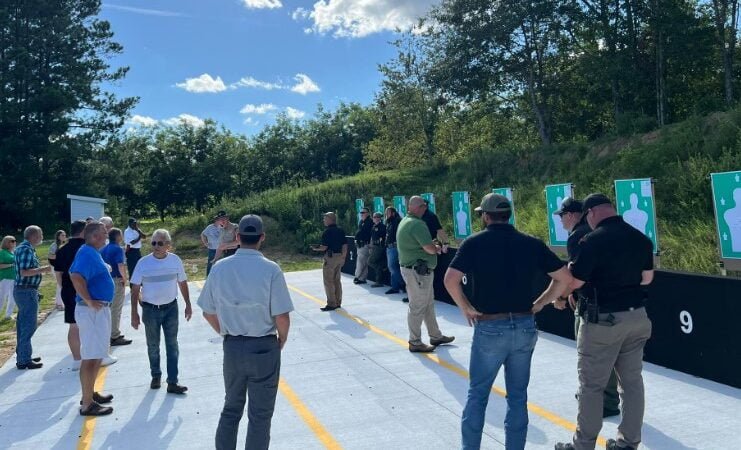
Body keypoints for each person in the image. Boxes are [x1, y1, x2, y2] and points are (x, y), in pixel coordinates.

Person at [444, 193, 573, 450]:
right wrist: (540, 303)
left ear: (486, 216)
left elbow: (450, 279)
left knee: (478, 395)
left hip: (490, 326)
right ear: (508, 214)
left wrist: (466, 308)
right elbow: (564, 278)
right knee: (517, 397)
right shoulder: (531, 243)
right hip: (524, 325)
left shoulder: (474, 243)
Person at [554, 194, 654, 450]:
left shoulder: (591, 241)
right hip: (636, 317)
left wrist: (562, 296)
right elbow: (646, 279)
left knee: (591, 386)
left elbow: (575, 282)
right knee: (632, 384)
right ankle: (628, 443)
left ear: (592, 212)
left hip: (602, 321)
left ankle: (583, 445)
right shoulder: (640, 238)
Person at [198, 214, 294, 450]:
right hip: (263, 346)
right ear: (262, 238)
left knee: (231, 408)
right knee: (260, 415)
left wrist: (225, 333)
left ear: (238, 237)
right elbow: (282, 316)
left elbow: (207, 311)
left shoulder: (219, 268)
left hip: (232, 346)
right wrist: (281, 339)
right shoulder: (271, 269)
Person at [555, 197, 620, 418]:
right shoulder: (594, 231)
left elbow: (577, 273)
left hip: (590, 303)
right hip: (611, 300)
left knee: (591, 354)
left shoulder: (577, 237)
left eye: (562, 215)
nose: (561, 220)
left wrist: (567, 294)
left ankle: (606, 400)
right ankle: (602, 395)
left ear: (572, 214)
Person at [130, 229, 191, 394]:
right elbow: (135, 289)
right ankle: (156, 375)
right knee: (153, 345)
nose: (156, 246)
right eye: (154, 243)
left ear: (168, 246)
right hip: (150, 310)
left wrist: (188, 304)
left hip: (171, 308)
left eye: (160, 243)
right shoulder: (143, 263)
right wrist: (134, 313)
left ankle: (172, 381)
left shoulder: (175, 261)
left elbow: (182, 282)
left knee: (172, 345)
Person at [69, 222, 116, 416]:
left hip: (98, 310)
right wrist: (88, 300)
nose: (107, 236)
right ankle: (87, 403)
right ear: (95, 236)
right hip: (91, 313)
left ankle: (90, 393)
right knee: (90, 358)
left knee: (97, 355)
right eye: (104, 233)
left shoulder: (90, 252)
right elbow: (75, 276)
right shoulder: (87, 253)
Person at [397, 196, 454, 353]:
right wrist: (437, 247)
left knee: (427, 304)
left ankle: (435, 335)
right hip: (418, 272)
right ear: (418, 207)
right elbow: (429, 248)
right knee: (417, 306)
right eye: (423, 206)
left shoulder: (406, 221)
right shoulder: (417, 224)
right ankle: (414, 341)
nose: (425, 209)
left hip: (414, 270)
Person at [55, 220, 109, 370]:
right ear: (84, 232)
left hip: (68, 290)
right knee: (90, 331)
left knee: (73, 326)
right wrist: (89, 299)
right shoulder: (86, 248)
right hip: (85, 294)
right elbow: (76, 275)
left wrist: (62, 288)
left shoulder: (62, 249)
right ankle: (92, 358)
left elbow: (58, 273)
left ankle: (77, 359)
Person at [14, 225, 52, 369]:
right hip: (25, 291)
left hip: (25, 291)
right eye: (40, 234)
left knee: (23, 325)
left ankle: (23, 354)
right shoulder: (25, 249)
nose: (42, 236)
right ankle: (24, 359)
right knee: (28, 326)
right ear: (34, 236)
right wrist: (45, 269)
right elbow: (24, 272)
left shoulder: (24, 248)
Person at [311, 212, 348, 311]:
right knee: (337, 280)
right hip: (339, 256)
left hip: (330, 258)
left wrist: (316, 248)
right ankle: (338, 302)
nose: (324, 220)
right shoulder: (341, 231)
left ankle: (332, 303)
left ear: (330, 219)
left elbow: (324, 247)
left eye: (325, 218)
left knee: (328, 281)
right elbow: (344, 245)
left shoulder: (327, 232)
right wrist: (343, 257)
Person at [101, 228, 132, 347]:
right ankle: (114, 335)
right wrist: (124, 279)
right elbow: (120, 265)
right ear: (118, 236)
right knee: (116, 308)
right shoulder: (118, 249)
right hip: (116, 279)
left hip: (106, 280)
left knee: (109, 308)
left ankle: (109, 333)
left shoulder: (104, 248)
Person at [384, 207, 405, 295]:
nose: (386, 215)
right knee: (392, 268)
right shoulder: (389, 222)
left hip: (394, 247)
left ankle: (403, 284)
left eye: (388, 213)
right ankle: (394, 287)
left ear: (393, 213)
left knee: (392, 266)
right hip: (389, 247)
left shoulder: (397, 221)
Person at [48, 229, 67, 311]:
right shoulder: (54, 245)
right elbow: (50, 256)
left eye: (65, 235)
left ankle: (61, 302)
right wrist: (60, 256)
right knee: (60, 285)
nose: (64, 237)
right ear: (58, 236)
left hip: (63, 267)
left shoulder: (65, 244)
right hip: (55, 267)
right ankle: (59, 304)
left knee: (62, 284)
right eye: (62, 235)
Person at [353, 207, 373, 284]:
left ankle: (357, 277)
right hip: (360, 245)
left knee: (361, 262)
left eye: (363, 212)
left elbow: (369, 234)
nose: (361, 214)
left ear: (368, 213)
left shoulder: (370, 222)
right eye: (361, 213)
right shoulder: (361, 221)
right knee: (363, 262)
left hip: (365, 244)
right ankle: (362, 278)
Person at [124, 218, 146, 284]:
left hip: (137, 251)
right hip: (131, 251)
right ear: (129, 224)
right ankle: (132, 286)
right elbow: (133, 242)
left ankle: (140, 284)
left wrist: (138, 231)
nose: (135, 224)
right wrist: (139, 236)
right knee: (132, 269)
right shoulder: (127, 231)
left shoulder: (137, 229)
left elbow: (144, 236)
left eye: (135, 223)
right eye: (133, 223)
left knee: (140, 268)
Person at [369, 212, 387, 288]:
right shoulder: (373, 226)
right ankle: (378, 280)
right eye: (374, 217)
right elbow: (372, 237)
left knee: (370, 261)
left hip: (379, 246)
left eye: (377, 217)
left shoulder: (382, 226)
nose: (375, 218)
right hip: (374, 246)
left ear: (380, 218)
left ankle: (382, 269)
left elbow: (383, 236)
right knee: (378, 263)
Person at [0, 236, 17, 319]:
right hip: (5, 278)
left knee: (13, 297)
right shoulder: (2, 252)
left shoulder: (13, 252)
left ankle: (8, 315)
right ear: (7, 243)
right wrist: (11, 265)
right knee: (2, 297)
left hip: (14, 277)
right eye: (12, 241)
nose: (14, 242)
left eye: (15, 241)